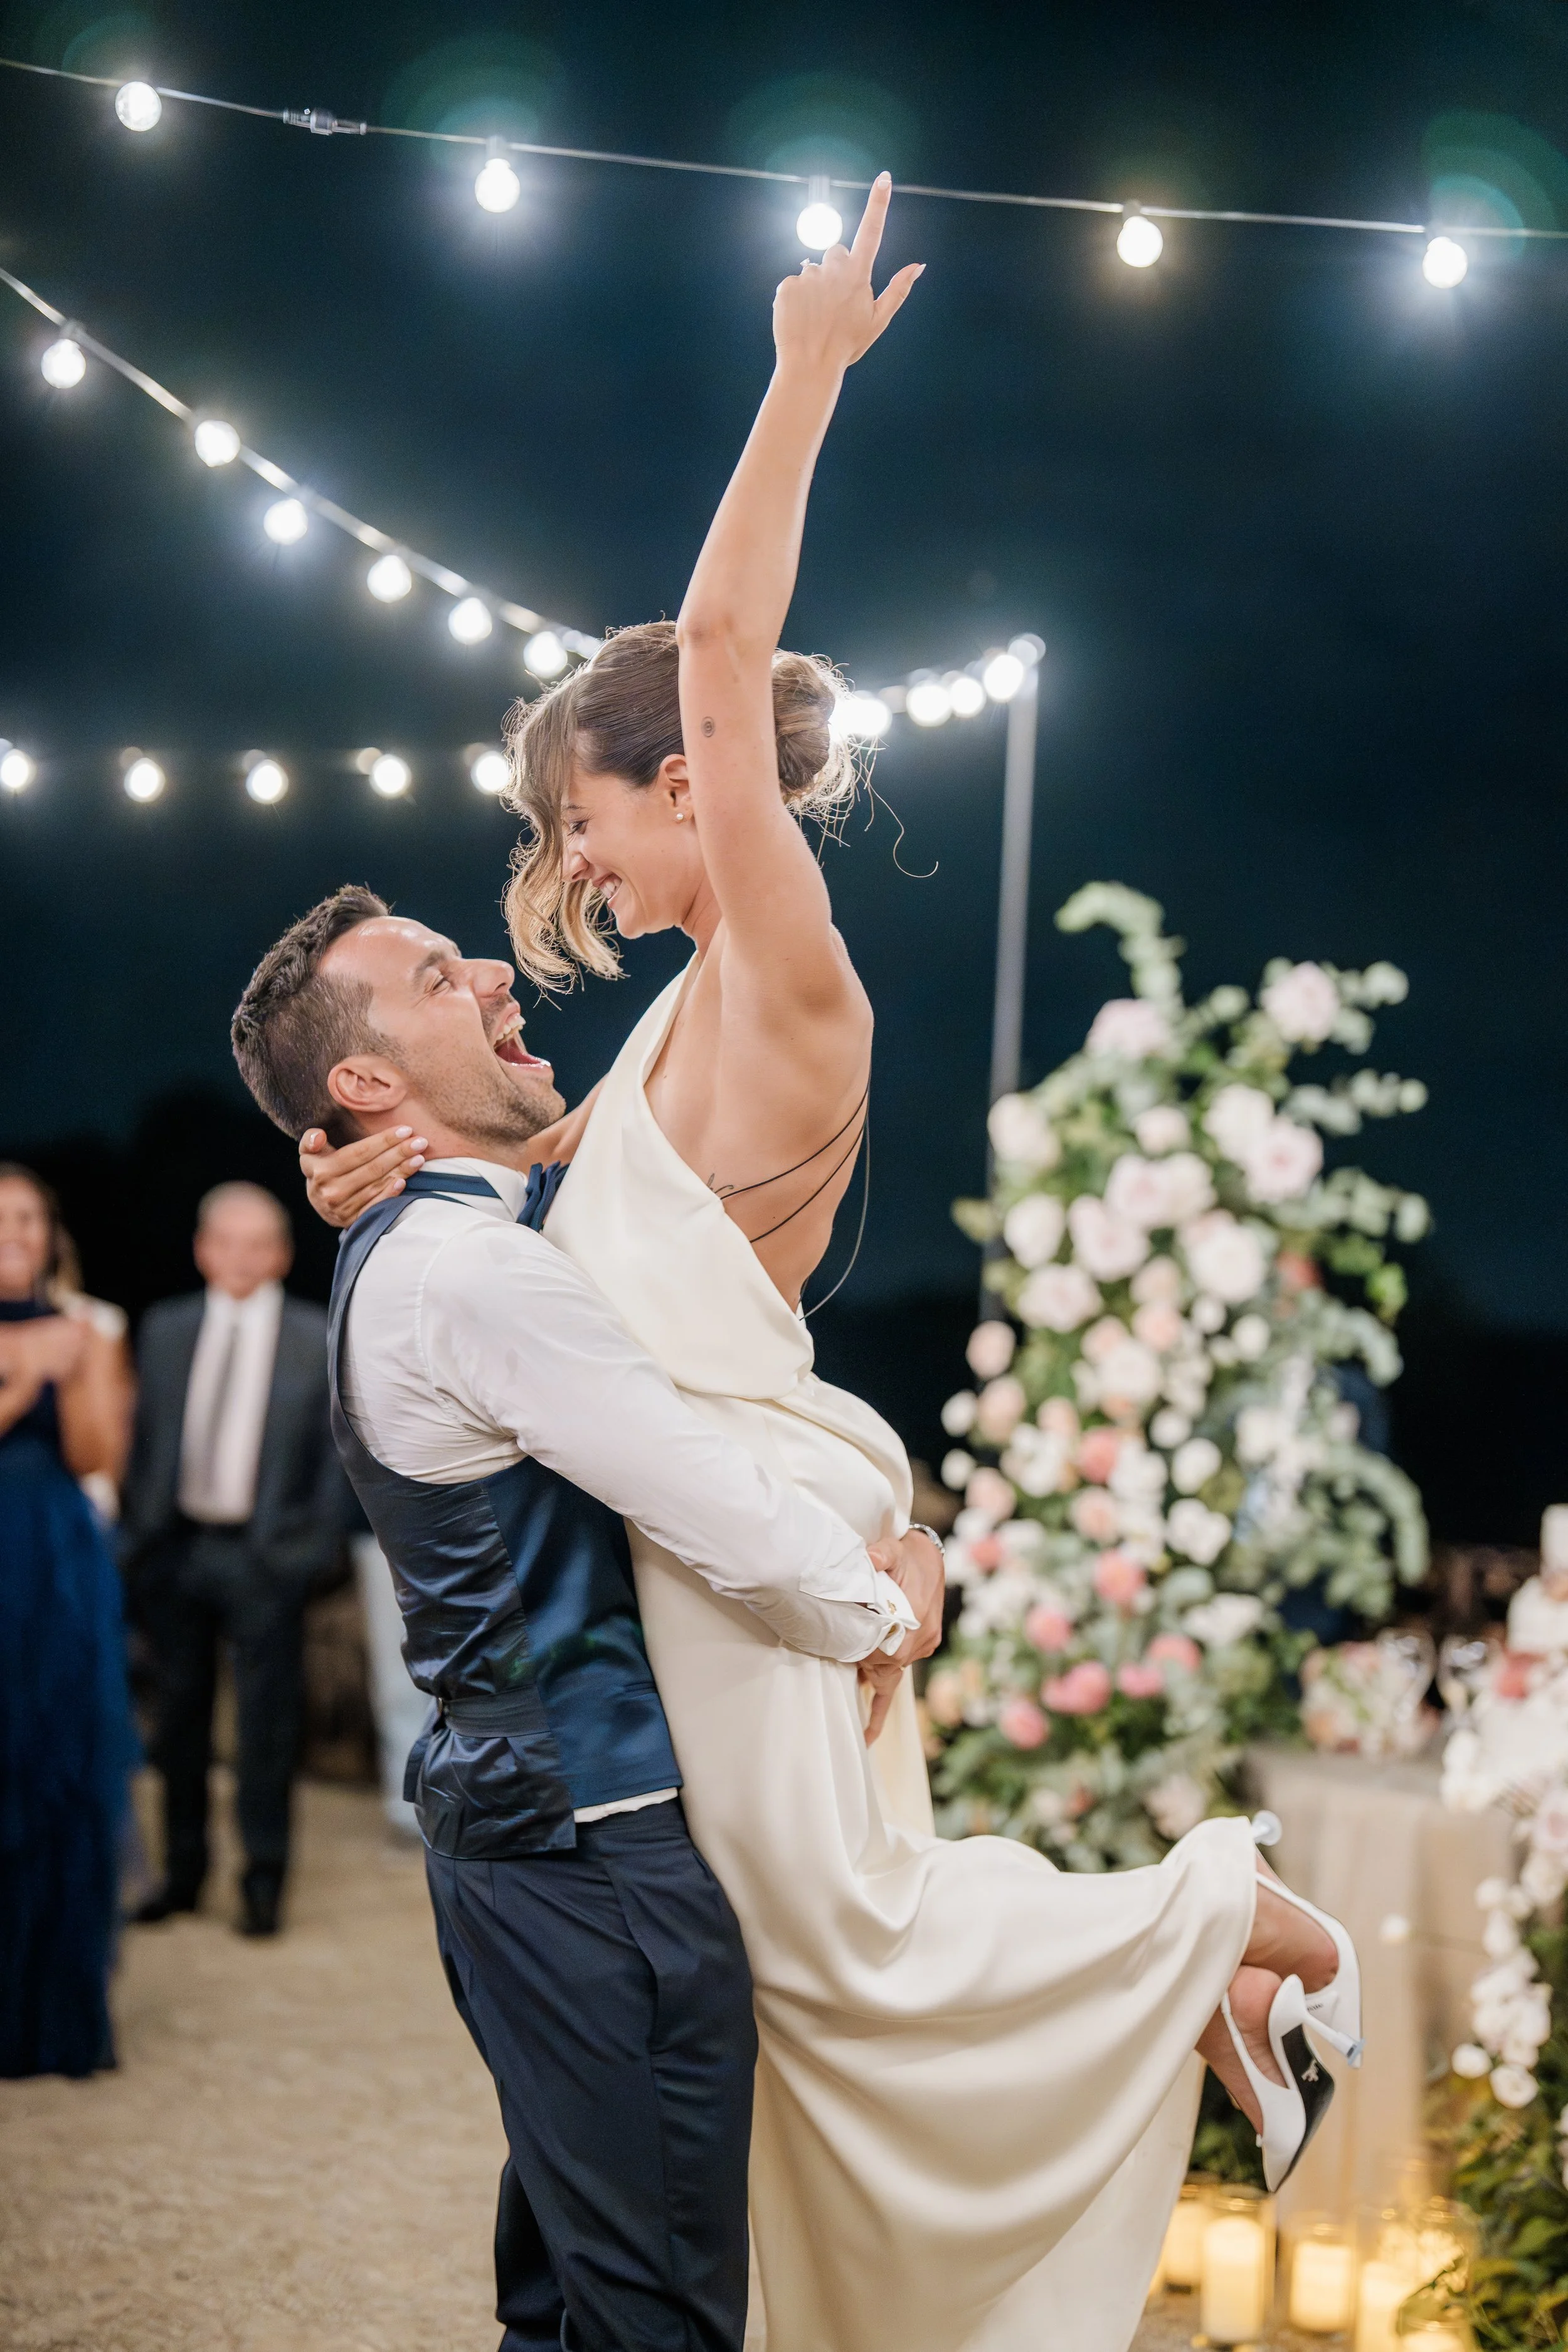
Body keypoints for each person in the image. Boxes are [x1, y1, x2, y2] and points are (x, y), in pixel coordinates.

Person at [300, 181, 1360, 2352]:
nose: (573, 858)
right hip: (712, 1544)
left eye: (586, 815)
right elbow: (533, 1217)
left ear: (691, 785)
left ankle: (1220, 1926)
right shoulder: (656, 1041)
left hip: (733, 1548)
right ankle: (1205, 1995)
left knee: (839, 1950)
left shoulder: (791, 979)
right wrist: (377, 1170)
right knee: (806, 1985)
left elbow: (711, 658)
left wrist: (799, 381)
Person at [228, 886, 945, 2352]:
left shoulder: (443, 1236)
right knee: (659, 2307)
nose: (492, 967)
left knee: (566, 2288)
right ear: (366, 1082)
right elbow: (716, 1505)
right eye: (439, 974)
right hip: (593, 1845)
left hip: (517, 1835)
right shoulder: (472, 1266)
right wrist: (894, 1600)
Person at [121, 1182, 348, 1937]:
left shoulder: (314, 1333)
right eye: (227, 1241)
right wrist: (137, 1540)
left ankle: (263, 1879)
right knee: (178, 1723)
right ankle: (183, 1873)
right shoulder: (164, 1328)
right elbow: (144, 1438)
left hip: (266, 1555)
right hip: (177, 1549)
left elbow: (339, 1456)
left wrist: (310, 1551)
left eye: (260, 1243)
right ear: (202, 1248)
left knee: (266, 1728)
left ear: (282, 1253)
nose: (242, 1258)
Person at [0, 1163, 137, 2079]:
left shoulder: (87, 1325)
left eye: (32, 1216)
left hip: (53, 1560)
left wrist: (80, 1365)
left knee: (57, 1766)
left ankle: (52, 2011)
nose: (19, 1231)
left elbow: (98, 1456)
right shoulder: (38, 1343)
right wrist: (21, 1374)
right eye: (1, 1218)